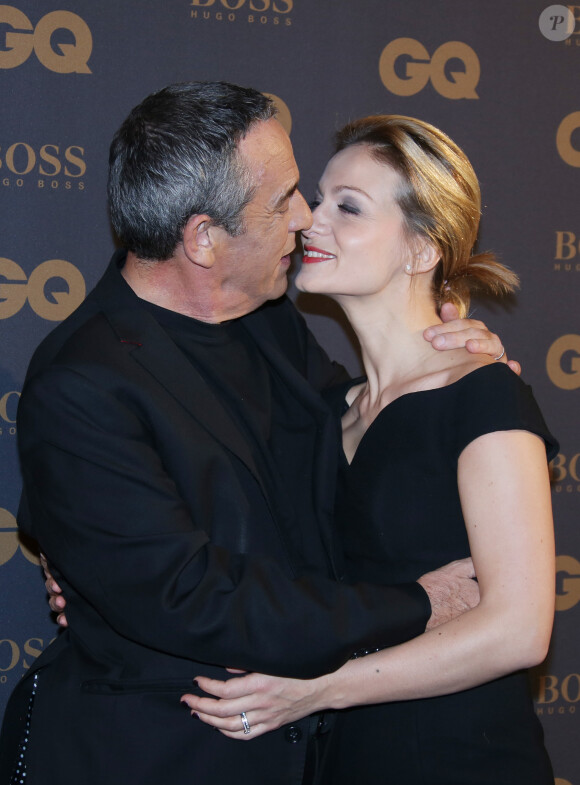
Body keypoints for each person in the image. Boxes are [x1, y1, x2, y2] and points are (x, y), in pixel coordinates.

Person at [0, 84, 506, 785]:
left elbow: (347, 424)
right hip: (161, 756)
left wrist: (445, 365)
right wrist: (423, 602)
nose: (305, 220)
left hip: (306, 747)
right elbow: (196, 597)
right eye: (284, 200)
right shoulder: (84, 383)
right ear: (203, 237)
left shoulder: (262, 315)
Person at [181, 115, 557, 784]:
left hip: (463, 758)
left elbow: (520, 627)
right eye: (317, 199)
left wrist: (319, 687)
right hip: (343, 758)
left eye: (347, 207)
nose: (309, 221)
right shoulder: (325, 411)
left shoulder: (484, 394)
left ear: (421, 248)